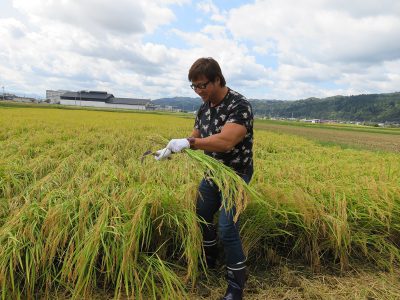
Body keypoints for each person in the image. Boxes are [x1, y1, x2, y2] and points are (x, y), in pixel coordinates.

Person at [155, 57, 253, 300]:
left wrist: (189, 143)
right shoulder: (203, 107)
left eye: (203, 85)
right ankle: (210, 258)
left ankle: (236, 286)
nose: (199, 91)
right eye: (194, 86)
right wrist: (172, 149)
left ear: (217, 79)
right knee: (201, 214)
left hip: (236, 173)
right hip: (212, 172)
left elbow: (226, 141)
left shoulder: (239, 105)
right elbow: (196, 135)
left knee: (227, 226)